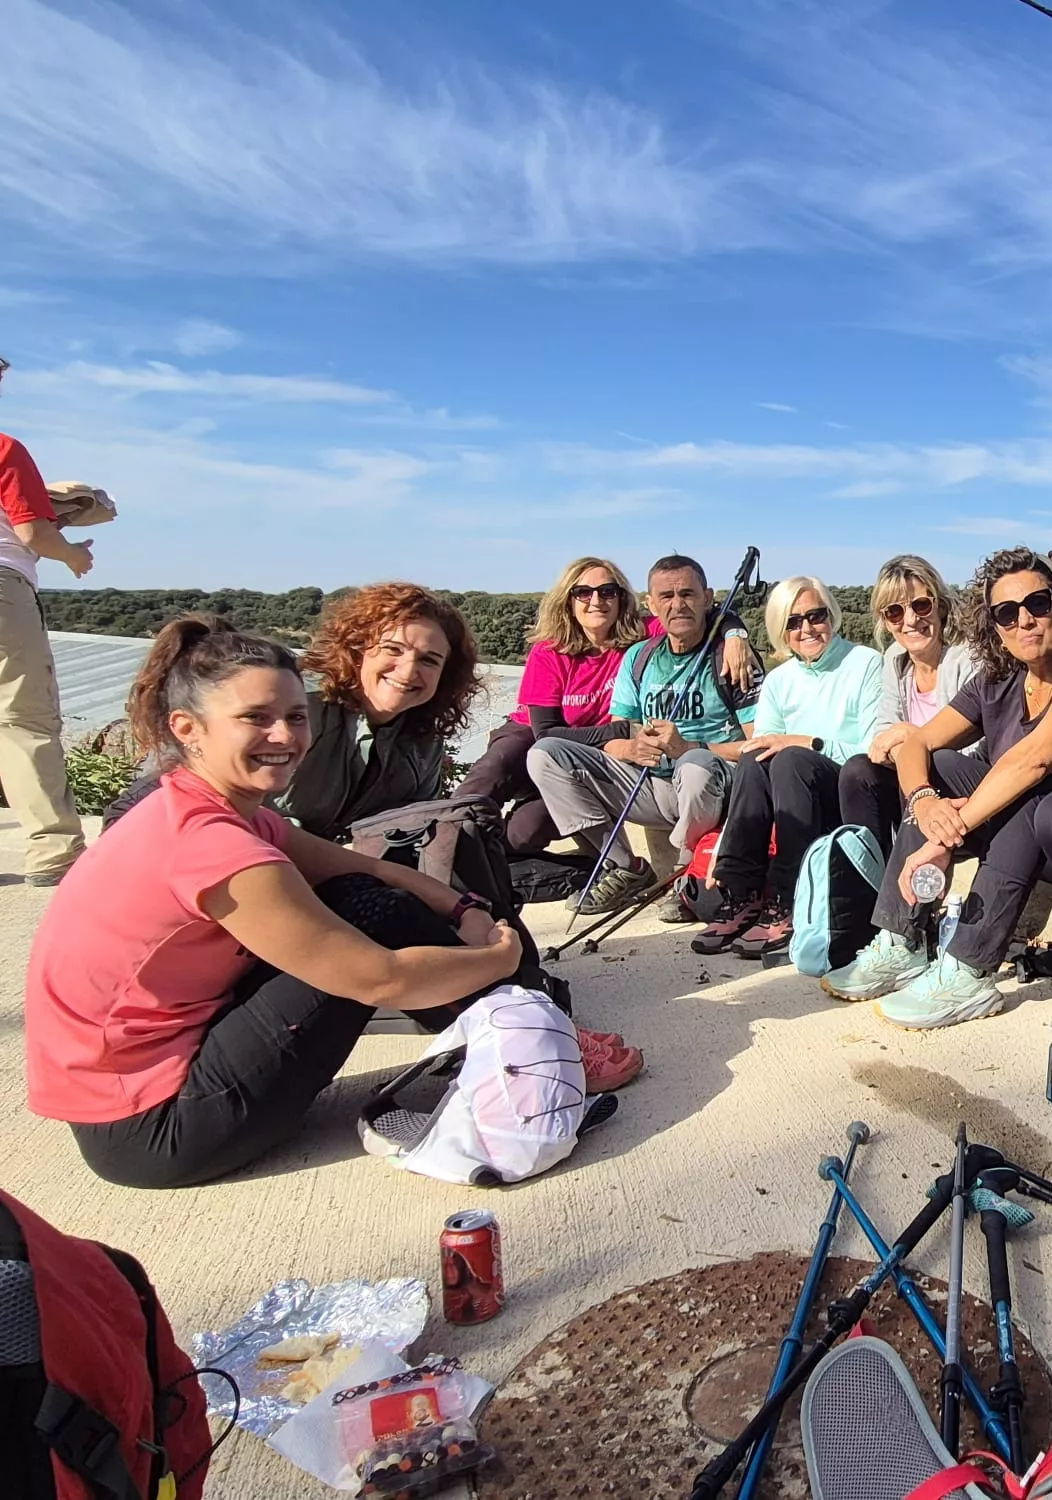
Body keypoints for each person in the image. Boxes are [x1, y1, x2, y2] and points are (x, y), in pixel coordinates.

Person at [23, 617, 641, 1191]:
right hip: (156, 1127)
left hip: (142, 1081)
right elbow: (381, 978)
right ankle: (529, 1041)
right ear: (187, 729)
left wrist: (464, 910)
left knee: (362, 895)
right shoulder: (214, 846)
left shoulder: (209, 805)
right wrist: (496, 961)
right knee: (367, 919)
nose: (283, 736)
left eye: (295, 717)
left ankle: (523, 1024)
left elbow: (365, 866)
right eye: (256, 718)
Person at [824, 546, 1052, 1028]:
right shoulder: (998, 678)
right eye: (1006, 613)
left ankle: (969, 968)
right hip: (1031, 832)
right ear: (994, 625)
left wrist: (944, 836)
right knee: (940, 766)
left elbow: (1035, 758)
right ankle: (902, 940)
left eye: (1037, 603)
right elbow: (917, 744)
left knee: (1034, 789)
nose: (1024, 621)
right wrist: (924, 801)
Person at [106, 581, 483, 842]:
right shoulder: (299, 703)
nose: (408, 670)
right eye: (393, 650)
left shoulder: (422, 742)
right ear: (357, 649)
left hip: (300, 864)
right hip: (206, 846)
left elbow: (411, 831)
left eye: (429, 660)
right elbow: (172, 789)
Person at [526, 554, 762, 916]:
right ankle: (624, 867)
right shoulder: (640, 655)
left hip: (712, 787)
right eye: (666, 596)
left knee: (694, 764)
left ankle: (687, 876)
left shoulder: (732, 659)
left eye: (687, 594)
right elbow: (619, 729)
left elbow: (760, 745)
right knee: (544, 754)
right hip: (650, 784)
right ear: (651, 605)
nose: (677, 605)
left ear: (707, 597)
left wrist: (690, 746)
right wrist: (630, 747)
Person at [692, 576, 884, 959]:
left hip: (845, 790)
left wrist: (806, 741)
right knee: (754, 756)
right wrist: (725, 845)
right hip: (794, 797)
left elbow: (872, 749)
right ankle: (741, 889)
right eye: (793, 622)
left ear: (832, 615)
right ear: (782, 630)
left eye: (816, 616)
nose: (806, 628)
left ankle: (788, 896)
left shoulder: (865, 663)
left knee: (791, 758)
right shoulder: (779, 680)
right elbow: (761, 755)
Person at [455, 558, 651, 856]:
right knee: (493, 771)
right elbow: (545, 732)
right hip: (533, 734)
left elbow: (697, 616)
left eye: (607, 591)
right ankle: (442, 844)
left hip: (583, 756)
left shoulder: (642, 635)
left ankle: (494, 865)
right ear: (568, 601)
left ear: (621, 598)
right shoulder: (550, 650)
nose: (596, 600)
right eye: (583, 592)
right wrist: (620, 731)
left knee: (528, 830)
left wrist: (728, 634)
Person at [0, 354, 91, 885]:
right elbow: (32, 534)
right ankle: (53, 851)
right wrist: (73, 554)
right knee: (21, 719)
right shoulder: (5, 449)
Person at [837, 555, 978, 855]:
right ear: (885, 621)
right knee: (858, 771)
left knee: (940, 762)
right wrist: (911, 751)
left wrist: (909, 735)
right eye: (895, 611)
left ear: (941, 607)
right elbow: (882, 742)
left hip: (962, 783)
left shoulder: (967, 659)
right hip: (917, 784)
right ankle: (867, 870)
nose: (911, 620)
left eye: (921, 605)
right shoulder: (895, 658)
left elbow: (972, 752)